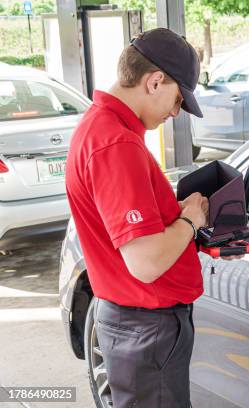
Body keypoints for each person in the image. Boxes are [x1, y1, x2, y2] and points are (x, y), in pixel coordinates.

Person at [65, 28, 236, 407]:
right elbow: (144, 262)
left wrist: (175, 214)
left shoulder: (102, 128)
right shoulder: (116, 144)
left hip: (135, 324)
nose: (175, 112)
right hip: (147, 326)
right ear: (155, 81)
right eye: (178, 100)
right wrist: (189, 221)